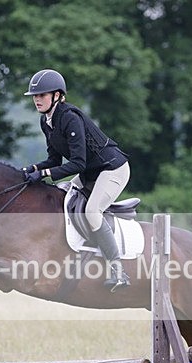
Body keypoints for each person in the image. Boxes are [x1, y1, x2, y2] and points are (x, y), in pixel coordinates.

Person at [21, 69, 130, 291]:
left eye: (42, 95)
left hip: (112, 169)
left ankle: (119, 271)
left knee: (91, 211)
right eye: (35, 95)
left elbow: (78, 163)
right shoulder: (46, 121)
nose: (37, 99)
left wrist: (42, 175)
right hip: (90, 172)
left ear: (58, 96)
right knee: (60, 196)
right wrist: (30, 169)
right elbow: (54, 159)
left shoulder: (69, 117)